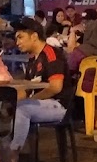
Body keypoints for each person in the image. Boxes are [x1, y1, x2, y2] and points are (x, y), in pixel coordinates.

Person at [9, 19, 70, 154]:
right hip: (39, 104)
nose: (17, 42)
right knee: (7, 106)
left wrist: (30, 100)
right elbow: (26, 89)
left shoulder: (51, 54)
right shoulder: (32, 59)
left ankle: (12, 154)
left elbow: (55, 88)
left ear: (34, 36)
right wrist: (8, 100)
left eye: (20, 37)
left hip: (59, 105)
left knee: (22, 109)